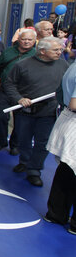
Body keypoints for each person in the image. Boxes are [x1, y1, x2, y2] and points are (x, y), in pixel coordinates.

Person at [4, 37, 69, 186]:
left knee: (43, 143)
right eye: (56, 50)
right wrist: (19, 99)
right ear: (42, 51)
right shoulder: (22, 65)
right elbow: (9, 84)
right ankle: (25, 161)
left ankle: (34, 170)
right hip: (25, 111)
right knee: (23, 139)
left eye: (60, 49)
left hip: (49, 111)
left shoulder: (63, 65)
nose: (60, 52)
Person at [0, 30, 37, 154]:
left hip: (23, 92)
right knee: (1, 116)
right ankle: (1, 141)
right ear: (18, 39)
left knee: (19, 121)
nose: (26, 42)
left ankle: (15, 144)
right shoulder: (9, 51)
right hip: (5, 89)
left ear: (34, 41)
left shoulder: (36, 55)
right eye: (24, 39)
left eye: (30, 40)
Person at [43, 61, 76, 234]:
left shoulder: (73, 65)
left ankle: (56, 214)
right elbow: (75, 104)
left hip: (68, 122)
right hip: (73, 124)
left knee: (66, 171)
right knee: (68, 171)